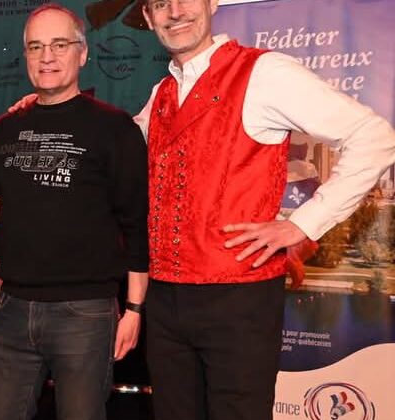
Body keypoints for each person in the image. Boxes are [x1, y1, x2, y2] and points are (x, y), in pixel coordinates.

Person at [133, 0, 395, 418]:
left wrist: (303, 224)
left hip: (238, 297)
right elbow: (116, 149)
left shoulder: (264, 72)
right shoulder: (161, 92)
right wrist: (49, 111)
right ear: (149, 18)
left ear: (212, 3)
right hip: (165, 298)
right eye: (161, 3)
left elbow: (374, 136)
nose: (175, 11)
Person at [0, 5, 150, 420]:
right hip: (13, 309)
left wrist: (134, 310)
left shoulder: (115, 129)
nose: (47, 57)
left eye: (59, 45)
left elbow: (136, 223)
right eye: (35, 47)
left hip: (85, 312)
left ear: (83, 53)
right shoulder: (4, 129)